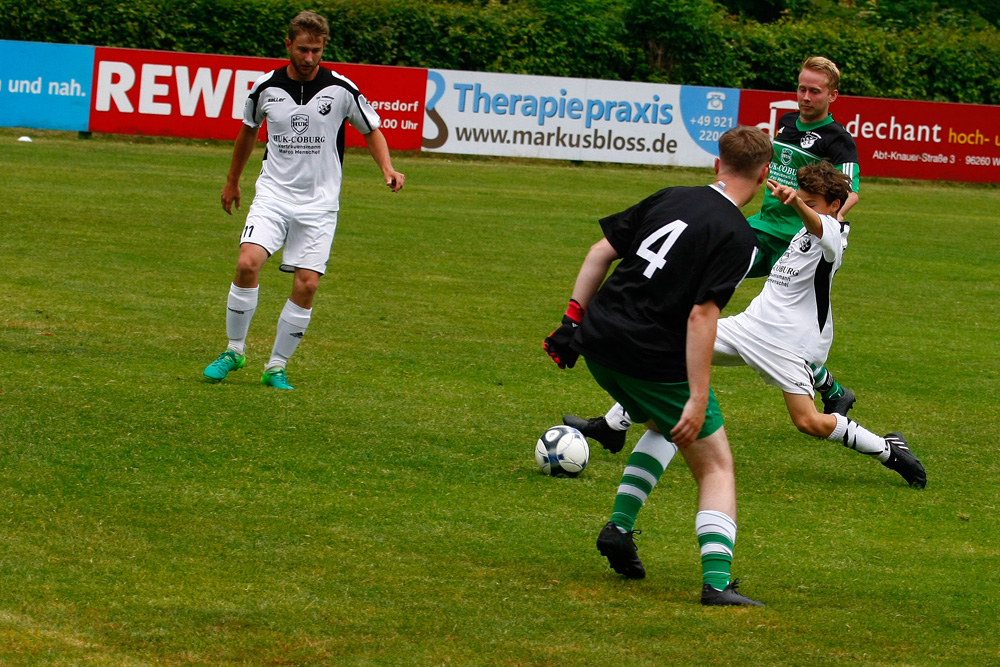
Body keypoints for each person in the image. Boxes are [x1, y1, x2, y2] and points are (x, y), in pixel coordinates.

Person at [566, 55, 861, 444]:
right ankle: (832, 389)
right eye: (801, 88)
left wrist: (822, 221)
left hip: (782, 240)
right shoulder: (787, 123)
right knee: (689, 301)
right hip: (758, 224)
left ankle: (613, 425)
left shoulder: (838, 140)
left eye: (815, 91)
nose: (805, 96)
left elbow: (850, 192)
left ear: (833, 96)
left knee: (686, 298)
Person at [544, 125, 774, 606]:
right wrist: (696, 396)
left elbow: (598, 253)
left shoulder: (671, 196)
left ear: (718, 164)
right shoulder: (739, 236)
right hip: (651, 358)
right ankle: (716, 583)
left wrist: (570, 323)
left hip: (600, 344)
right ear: (764, 173)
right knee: (716, 467)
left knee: (664, 427)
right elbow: (701, 315)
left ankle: (619, 530)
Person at [202, 10, 405, 390]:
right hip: (273, 196)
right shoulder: (265, 88)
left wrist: (387, 168)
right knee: (247, 262)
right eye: (302, 50)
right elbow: (247, 133)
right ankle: (234, 349)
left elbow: (372, 130)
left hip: (319, 204)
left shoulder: (342, 89)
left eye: (316, 50)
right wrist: (232, 181)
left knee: (307, 284)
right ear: (288, 46)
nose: (309, 58)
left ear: (323, 47)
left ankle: (276, 366)